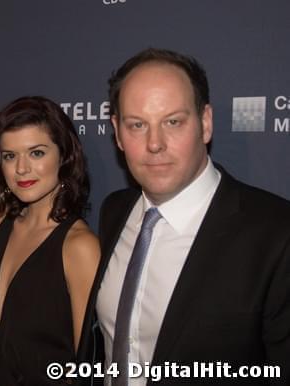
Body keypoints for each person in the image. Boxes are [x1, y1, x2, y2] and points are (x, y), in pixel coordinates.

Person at [91, 48, 290, 386]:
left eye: (173, 122)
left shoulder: (276, 233)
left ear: (206, 123)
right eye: (137, 125)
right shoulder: (114, 211)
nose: (155, 143)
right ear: (117, 132)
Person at [0, 96, 101, 385]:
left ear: (64, 156)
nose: (22, 169)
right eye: (9, 156)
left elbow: (84, 368)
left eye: (37, 153)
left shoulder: (79, 247)